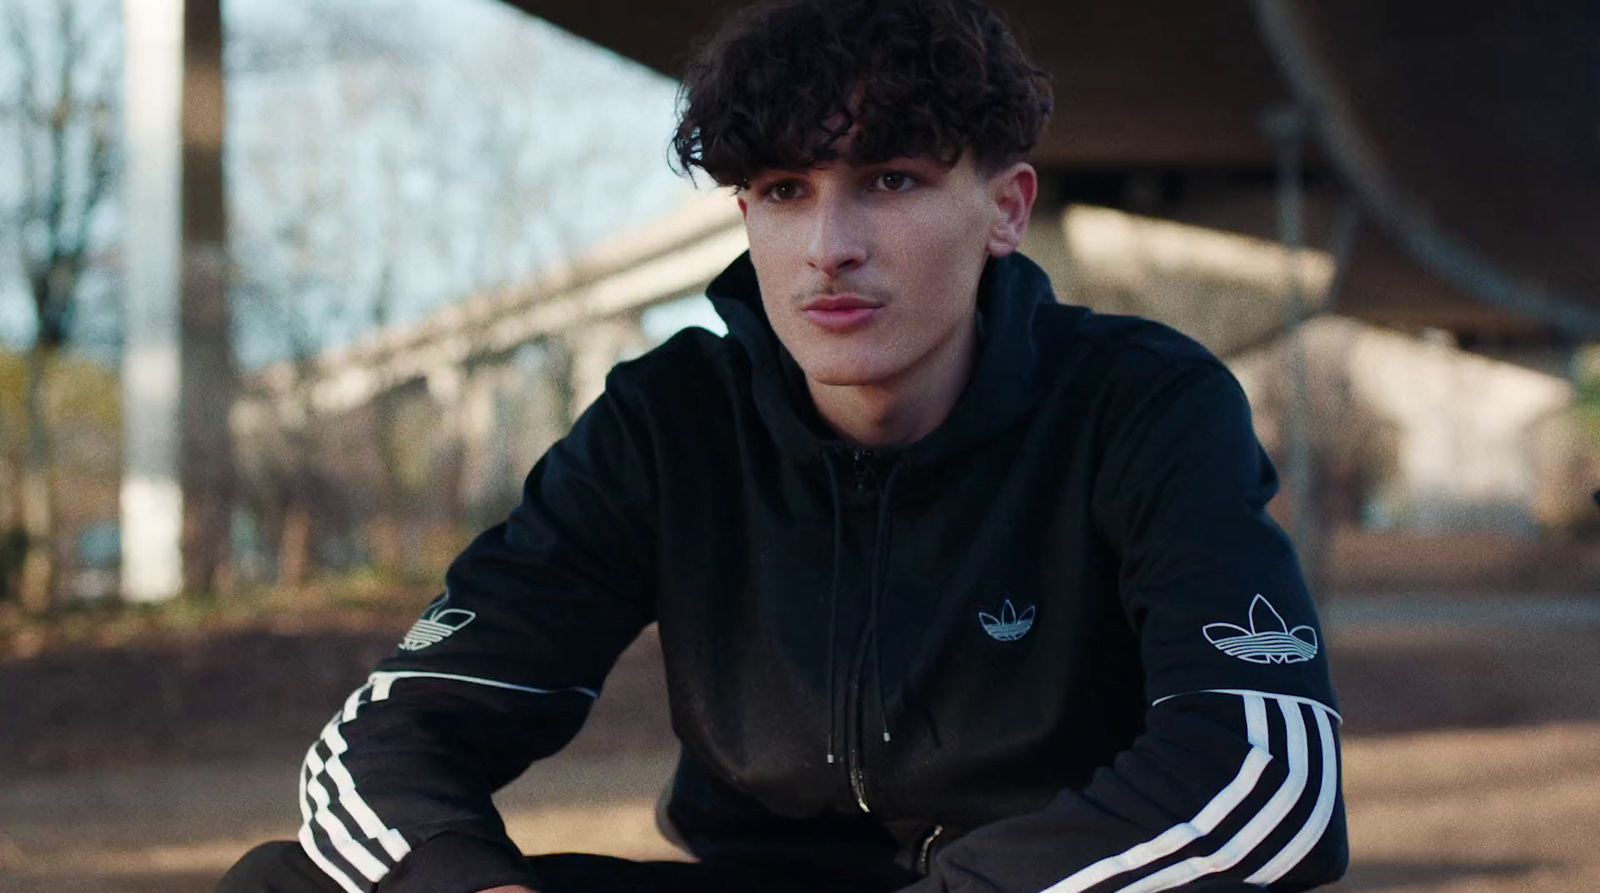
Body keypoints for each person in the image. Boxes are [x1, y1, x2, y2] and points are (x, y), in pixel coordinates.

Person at [218, 0, 1348, 891]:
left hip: (1041, 883)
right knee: (294, 881)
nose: (830, 246)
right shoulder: (670, 425)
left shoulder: (1140, 403)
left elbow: (1265, 770)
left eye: (890, 180)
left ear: (1004, 208)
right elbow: (385, 740)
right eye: (784, 190)